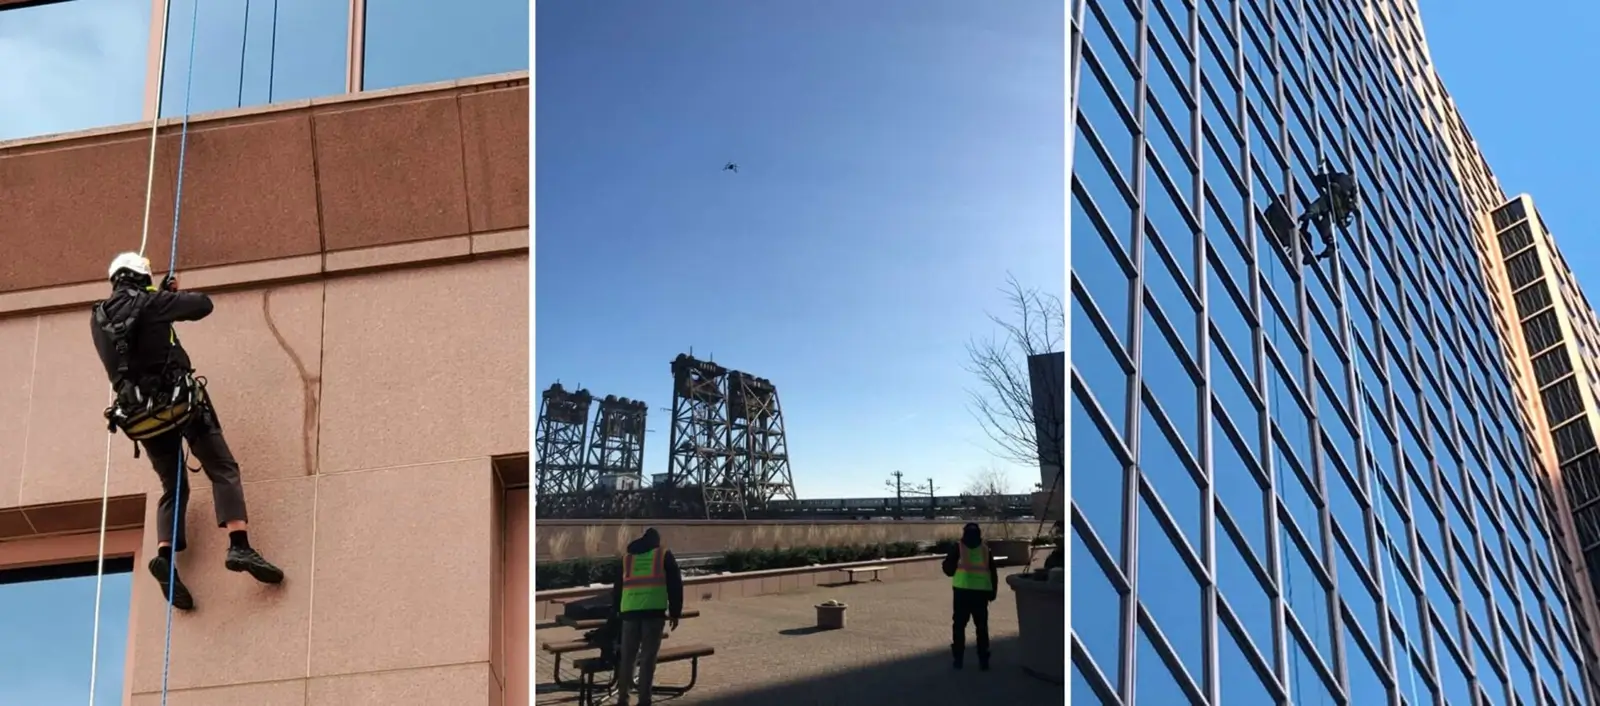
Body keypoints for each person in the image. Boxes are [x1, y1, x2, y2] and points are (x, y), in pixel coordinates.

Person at [90, 252, 283, 611]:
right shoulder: (153, 302)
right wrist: (168, 296)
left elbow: (133, 336)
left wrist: (158, 298)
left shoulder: (98, 317)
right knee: (222, 467)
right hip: (182, 404)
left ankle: (165, 555)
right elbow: (202, 306)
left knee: (173, 486)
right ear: (140, 277)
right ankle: (238, 544)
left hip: (141, 417)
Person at [608, 527, 683, 706]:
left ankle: (622, 699)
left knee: (627, 657)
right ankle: (644, 700)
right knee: (648, 658)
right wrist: (675, 612)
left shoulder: (627, 559)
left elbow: (617, 587)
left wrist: (617, 610)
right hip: (653, 613)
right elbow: (675, 584)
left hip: (629, 613)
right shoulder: (663, 555)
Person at [942, 522, 999, 670]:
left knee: (959, 627)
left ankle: (958, 659)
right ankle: (983, 660)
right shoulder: (985, 550)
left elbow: (948, 570)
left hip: (962, 594)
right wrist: (993, 593)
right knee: (981, 628)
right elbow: (993, 573)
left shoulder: (958, 548)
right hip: (981, 595)